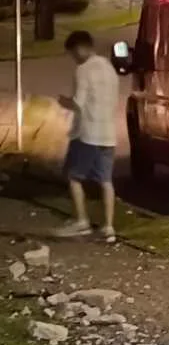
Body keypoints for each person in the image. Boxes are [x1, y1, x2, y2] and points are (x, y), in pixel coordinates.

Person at [55, 30, 119, 240]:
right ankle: (108, 227)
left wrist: (63, 101)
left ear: (79, 48)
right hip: (108, 133)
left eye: (73, 53)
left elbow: (78, 103)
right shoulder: (109, 68)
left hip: (87, 133)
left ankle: (81, 220)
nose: (73, 58)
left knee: (73, 176)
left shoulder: (83, 70)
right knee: (105, 180)